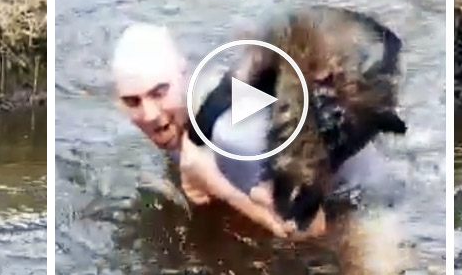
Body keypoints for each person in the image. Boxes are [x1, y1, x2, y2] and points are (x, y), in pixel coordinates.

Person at [110, 22, 383, 240]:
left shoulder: (231, 135)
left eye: (159, 93)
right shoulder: (194, 108)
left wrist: (215, 184)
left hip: (366, 202)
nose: (150, 115)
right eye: (132, 101)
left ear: (184, 75)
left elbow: (308, 229)